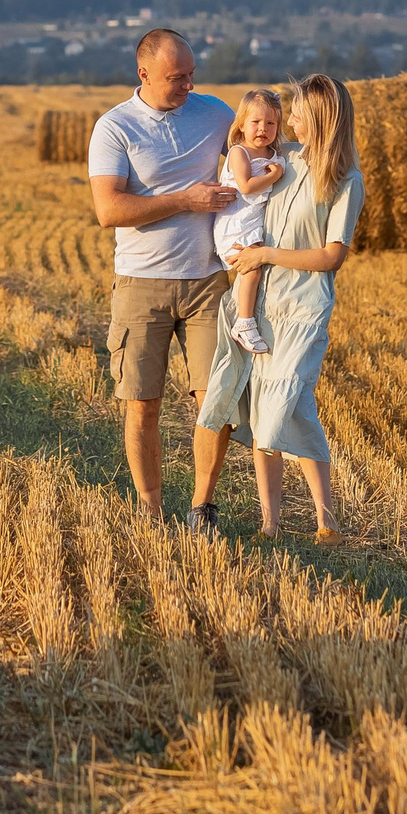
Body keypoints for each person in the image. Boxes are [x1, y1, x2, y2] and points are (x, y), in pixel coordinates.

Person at [189, 74, 364, 543]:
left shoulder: (345, 178)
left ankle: (325, 517)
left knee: (286, 403)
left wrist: (264, 255)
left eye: (299, 110)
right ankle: (274, 522)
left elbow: (332, 257)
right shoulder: (281, 157)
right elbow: (241, 172)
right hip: (263, 301)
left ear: (320, 115)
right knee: (269, 406)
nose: (290, 118)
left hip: (304, 306)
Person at [87, 28, 235, 517]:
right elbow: (109, 210)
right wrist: (185, 200)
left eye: (192, 75)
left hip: (208, 282)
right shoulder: (114, 128)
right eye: (177, 78)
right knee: (142, 403)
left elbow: (261, 150)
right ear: (143, 74)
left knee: (217, 401)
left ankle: (201, 509)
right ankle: (150, 513)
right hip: (140, 284)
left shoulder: (216, 114)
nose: (189, 86)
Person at [214, 89, 290, 355]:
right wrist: (275, 175)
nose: (263, 129)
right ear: (242, 125)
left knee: (260, 272)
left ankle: (249, 316)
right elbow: (246, 187)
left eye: (271, 123)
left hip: (254, 222)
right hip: (236, 223)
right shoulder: (239, 152)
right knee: (252, 270)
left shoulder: (274, 152)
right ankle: (243, 324)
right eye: (256, 122)